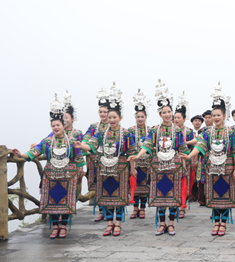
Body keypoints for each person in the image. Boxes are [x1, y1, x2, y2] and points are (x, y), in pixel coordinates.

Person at [12, 94, 85, 239]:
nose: (55, 127)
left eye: (58, 125)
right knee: (52, 201)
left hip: (68, 176)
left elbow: (78, 157)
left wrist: (79, 170)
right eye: (53, 126)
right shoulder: (47, 141)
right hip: (51, 176)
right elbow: (35, 151)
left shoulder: (71, 140)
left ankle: (63, 226)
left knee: (65, 201)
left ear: (64, 126)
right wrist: (21, 155)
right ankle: (55, 226)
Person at [180, 83, 235, 237]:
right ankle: (216, 222)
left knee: (226, 196)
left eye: (218, 115)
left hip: (227, 168)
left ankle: (224, 223)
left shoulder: (231, 132)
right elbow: (201, 145)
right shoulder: (207, 132)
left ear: (224, 116)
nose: (215, 118)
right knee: (215, 196)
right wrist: (189, 156)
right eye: (213, 115)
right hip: (212, 169)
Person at [128, 81, 189, 236]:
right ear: (160, 114)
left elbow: (182, 150)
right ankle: (161, 224)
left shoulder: (177, 131)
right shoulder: (155, 130)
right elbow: (147, 145)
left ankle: (171, 224)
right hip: (158, 167)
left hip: (174, 167)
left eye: (169, 112)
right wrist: (138, 155)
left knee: (173, 196)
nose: (167, 115)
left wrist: (184, 167)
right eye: (164, 112)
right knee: (160, 195)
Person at [76, 83, 134, 237]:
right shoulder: (101, 133)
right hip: (104, 169)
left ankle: (118, 224)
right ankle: (109, 223)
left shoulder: (126, 134)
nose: (112, 119)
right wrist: (82, 145)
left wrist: (133, 167)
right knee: (106, 196)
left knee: (119, 197)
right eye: (109, 117)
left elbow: (132, 152)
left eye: (114, 117)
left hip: (120, 170)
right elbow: (92, 144)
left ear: (120, 118)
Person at [83, 85, 111, 222]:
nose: (102, 114)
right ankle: (101, 211)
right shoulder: (94, 126)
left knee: (108, 185)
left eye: (105, 112)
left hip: (109, 160)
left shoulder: (113, 126)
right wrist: (82, 145)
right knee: (97, 185)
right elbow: (86, 138)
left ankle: (109, 212)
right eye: (100, 112)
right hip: (94, 161)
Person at [128, 89, 151, 220]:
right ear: (135, 117)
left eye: (142, 116)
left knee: (145, 187)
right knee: (135, 186)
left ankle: (142, 208)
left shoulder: (150, 130)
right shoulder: (130, 130)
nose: (140, 119)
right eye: (138, 117)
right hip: (135, 162)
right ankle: (135, 208)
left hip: (146, 162)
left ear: (145, 117)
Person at [174, 92, 195, 219]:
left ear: (183, 118)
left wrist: (193, 160)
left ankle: (183, 206)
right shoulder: (170, 130)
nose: (176, 120)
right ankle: (175, 204)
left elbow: (194, 146)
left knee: (184, 183)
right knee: (175, 183)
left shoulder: (189, 131)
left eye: (178, 117)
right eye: (174, 117)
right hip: (173, 160)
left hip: (185, 160)